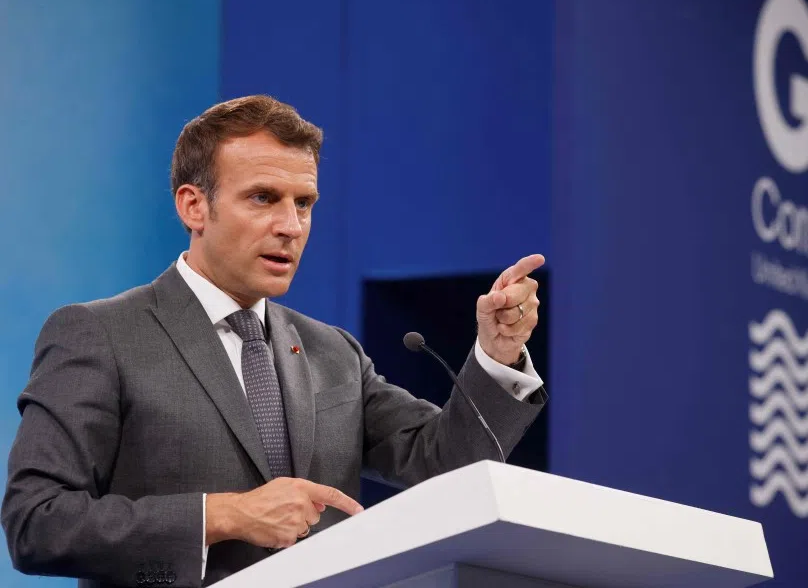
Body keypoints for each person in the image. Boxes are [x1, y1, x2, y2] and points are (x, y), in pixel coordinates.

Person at [1, 95, 546, 587]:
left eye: (303, 203)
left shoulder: (334, 352)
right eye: (263, 198)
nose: (291, 225)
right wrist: (223, 515)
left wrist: (497, 353)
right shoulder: (101, 335)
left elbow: (447, 464)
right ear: (193, 206)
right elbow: (36, 521)